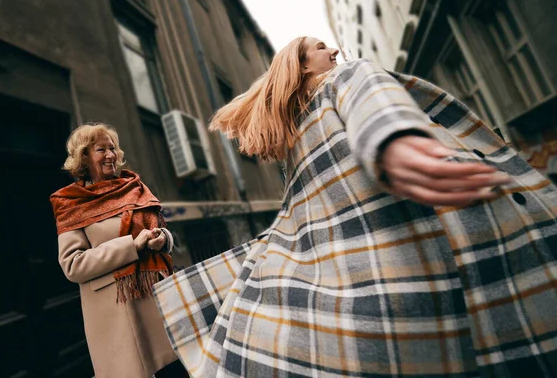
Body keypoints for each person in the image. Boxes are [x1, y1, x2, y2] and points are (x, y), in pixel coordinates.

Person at [153, 37, 557, 377]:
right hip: (419, 252)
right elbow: (374, 104)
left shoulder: (296, 140)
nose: (333, 51)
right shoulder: (344, 79)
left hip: (357, 288)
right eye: (320, 46)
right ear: (301, 65)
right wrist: (396, 142)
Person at [49, 123, 187, 378]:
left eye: (112, 148)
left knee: (175, 370)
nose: (111, 155)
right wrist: (131, 246)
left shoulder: (135, 188)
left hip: (159, 301)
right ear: (84, 157)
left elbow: (163, 230)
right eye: (101, 149)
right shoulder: (71, 202)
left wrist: (162, 239)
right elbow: (73, 265)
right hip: (119, 316)